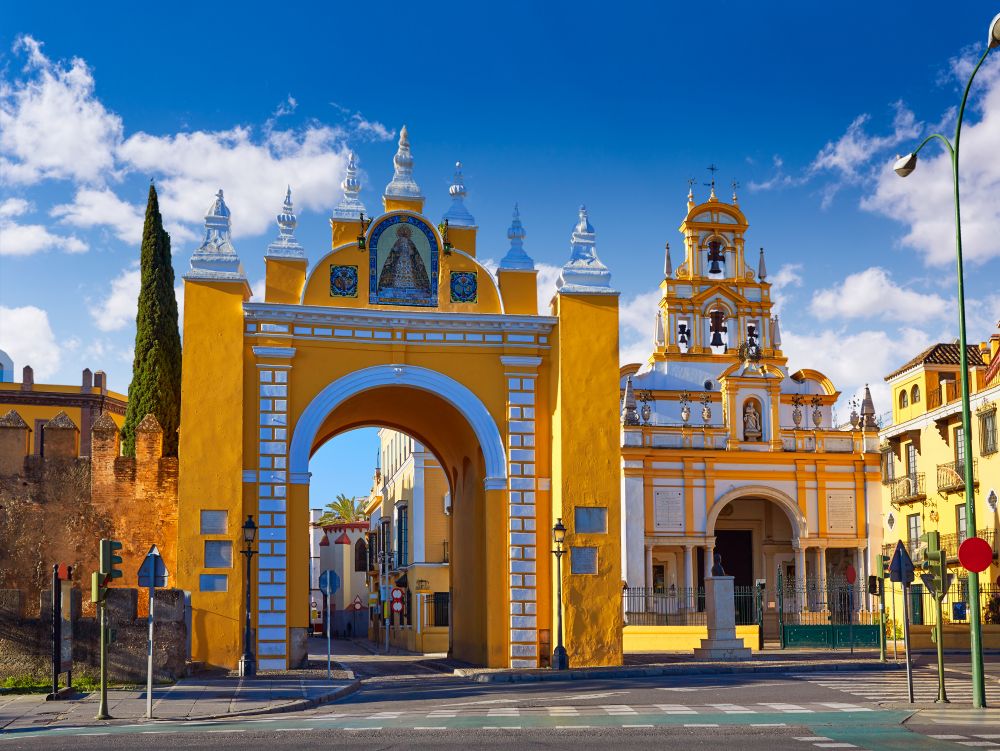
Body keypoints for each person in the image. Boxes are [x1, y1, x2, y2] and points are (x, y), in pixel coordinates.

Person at [378, 224, 431, 292]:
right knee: (402, 270)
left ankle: (406, 285)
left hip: (405, 258)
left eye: (405, 232)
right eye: (403, 232)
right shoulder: (404, 241)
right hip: (403, 258)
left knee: (405, 270)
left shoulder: (403, 241)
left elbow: (400, 250)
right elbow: (408, 251)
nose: (404, 233)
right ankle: (401, 284)